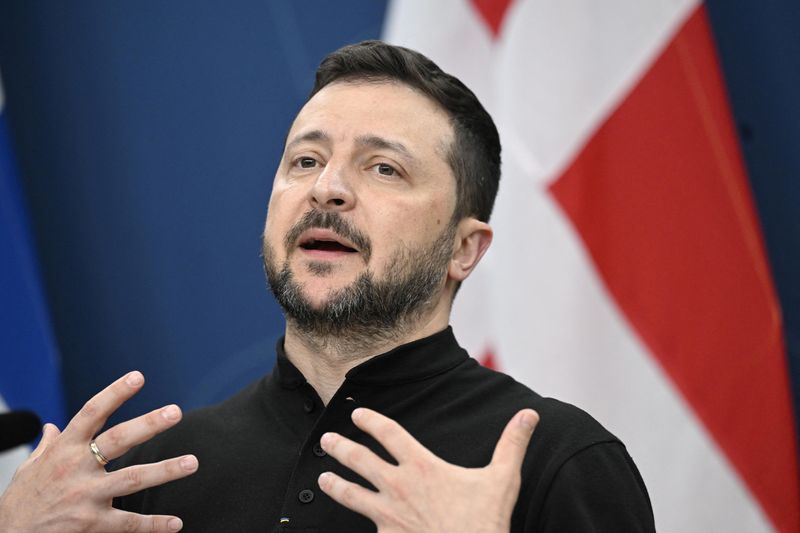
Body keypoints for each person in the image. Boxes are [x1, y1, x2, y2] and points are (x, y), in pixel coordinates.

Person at [0, 41, 655, 532]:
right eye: (305, 160)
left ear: (464, 248)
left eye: (383, 168)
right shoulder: (157, 471)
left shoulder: (556, 462)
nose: (326, 188)